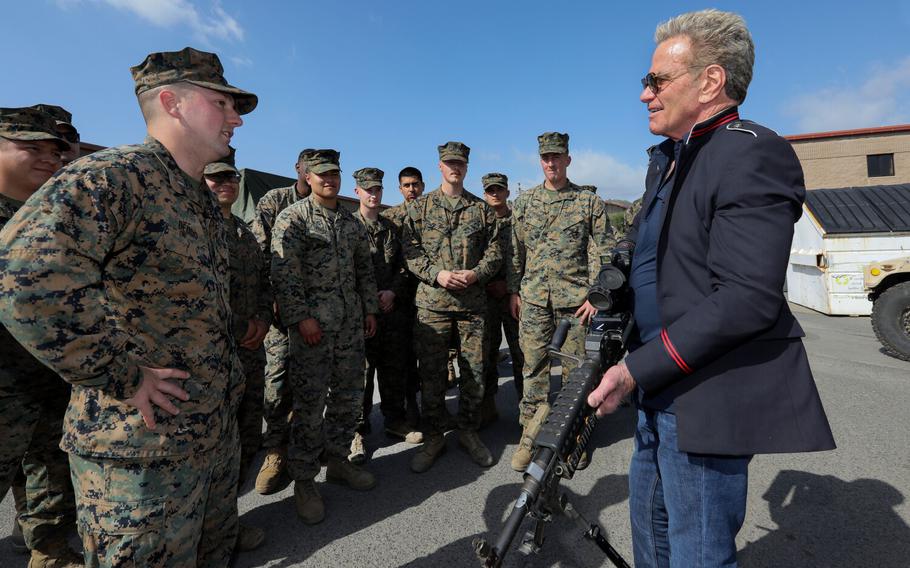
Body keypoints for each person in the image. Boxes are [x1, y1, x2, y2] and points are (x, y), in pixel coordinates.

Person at [586, 10, 836, 567]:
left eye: (656, 81)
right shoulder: (671, 161)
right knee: (651, 537)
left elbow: (747, 297)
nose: (645, 94)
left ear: (710, 81)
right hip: (657, 385)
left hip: (702, 396)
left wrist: (634, 371)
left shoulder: (748, 151)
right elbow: (647, 262)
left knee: (697, 553)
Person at [0, 46, 258, 567]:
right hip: (139, 454)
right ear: (173, 101)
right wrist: (120, 374)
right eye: (222, 102)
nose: (235, 117)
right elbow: (23, 278)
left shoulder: (199, 198)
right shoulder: (114, 177)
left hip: (207, 438)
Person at [270, 149, 380, 525]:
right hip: (314, 329)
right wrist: (301, 318)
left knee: (348, 398)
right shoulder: (294, 218)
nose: (328, 179)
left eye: (334, 173)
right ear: (309, 177)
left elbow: (364, 270)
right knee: (309, 404)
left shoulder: (351, 224)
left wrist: (369, 309)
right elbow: (284, 274)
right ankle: (304, 479)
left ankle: (338, 462)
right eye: (322, 174)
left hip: (350, 326)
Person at [0, 106, 82, 567]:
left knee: (51, 473)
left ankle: (46, 550)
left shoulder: (57, 217)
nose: (50, 158)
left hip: (51, 379)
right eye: (31, 147)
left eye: (54, 149)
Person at [507, 132, 613, 471]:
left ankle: (570, 439)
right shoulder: (524, 203)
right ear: (540, 161)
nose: (551, 162)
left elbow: (604, 250)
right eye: (545, 157)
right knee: (533, 370)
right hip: (536, 301)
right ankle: (530, 438)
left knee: (575, 374)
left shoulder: (587, 202)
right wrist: (514, 291)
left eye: (557, 156)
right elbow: (515, 252)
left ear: (568, 159)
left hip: (576, 303)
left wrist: (598, 294)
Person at [401, 141, 502, 473]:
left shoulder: (482, 210)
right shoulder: (420, 208)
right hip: (433, 305)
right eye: (449, 163)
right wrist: (438, 274)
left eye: (459, 163)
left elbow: (495, 253)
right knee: (431, 375)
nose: (454, 168)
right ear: (440, 166)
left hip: (472, 304)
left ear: (466, 167)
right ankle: (434, 436)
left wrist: (476, 274)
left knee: (473, 372)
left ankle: (468, 431)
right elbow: (411, 252)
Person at [202, 151, 270, 552]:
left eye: (230, 179)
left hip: (250, 350)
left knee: (246, 437)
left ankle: (226, 521)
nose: (225, 184)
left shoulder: (244, 232)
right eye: (216, 179)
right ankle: (208, 532)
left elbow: (263, 282)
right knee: (214, 446)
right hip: (213, 354)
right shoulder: (196, 227)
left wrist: (261, 320)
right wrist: (243, 327)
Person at [250, 148, 314, 495]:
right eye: (308, 167)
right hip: (279, 311)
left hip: (315, 309)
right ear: (298, 169)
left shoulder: (324, 206)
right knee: (276, 378)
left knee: (312, 379)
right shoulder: (275, 201)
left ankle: (305, 446)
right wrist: (271, 298)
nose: (312, 173)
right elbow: (261, 252)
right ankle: (275, 450)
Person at [351, 167, 423, 464]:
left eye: (377, 190)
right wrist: (368, 301)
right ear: (357, 192)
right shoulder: (347, 228)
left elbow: (405, 267)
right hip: (360, 314)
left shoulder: (391, 227)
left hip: (391, 312)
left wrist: (393, 292)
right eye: (367, 189)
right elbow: (342, 274)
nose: (372, 194)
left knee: (393, 369)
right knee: (361, 375)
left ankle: (395, 420)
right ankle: (355, 432)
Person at [380, 166, 426, 428]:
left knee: (429, 356)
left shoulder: (431, 212)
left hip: (429, 296)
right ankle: (408, 409)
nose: (412, 189)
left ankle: (428, 406)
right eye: (406, 185)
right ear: (399, 189)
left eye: (415, 184)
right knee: (403, 358)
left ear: (422, 185)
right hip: (401, 298)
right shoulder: (390, 218)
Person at [479, 172, 525, 426]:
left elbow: (525, 258)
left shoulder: (519, 221)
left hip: (513, 298)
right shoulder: (480, 221)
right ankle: (487, 405)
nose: (494, 194)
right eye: (490, 190)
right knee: (486, 354)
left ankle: (526, 408)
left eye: (499, 190)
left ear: (507, 192)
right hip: (486, 299)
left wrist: (508, 287)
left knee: (521, 354)